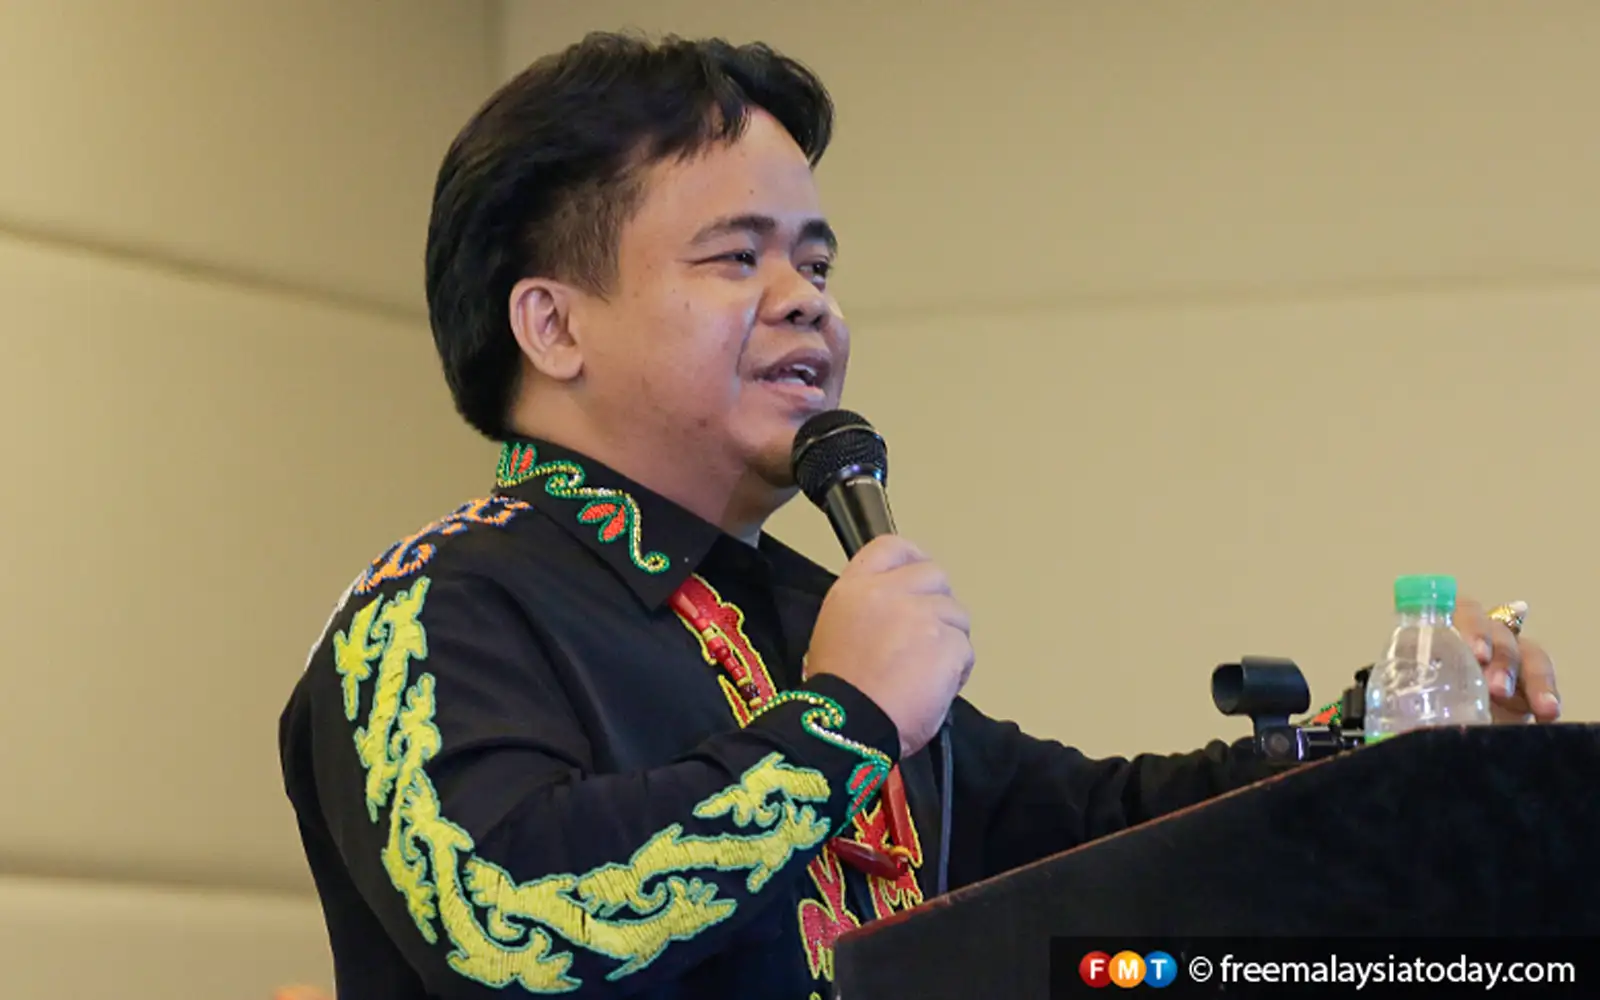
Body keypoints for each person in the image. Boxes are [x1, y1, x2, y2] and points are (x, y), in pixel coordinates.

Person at [276, 31, 1561, 1000]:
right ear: (553, 324)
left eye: (816, 261)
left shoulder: (809, 613)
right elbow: (514, 929)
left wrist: (1397, 741)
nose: (806, 300)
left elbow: (1103, 836)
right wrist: (841, 721)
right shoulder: (435, 608)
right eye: (737, 257)